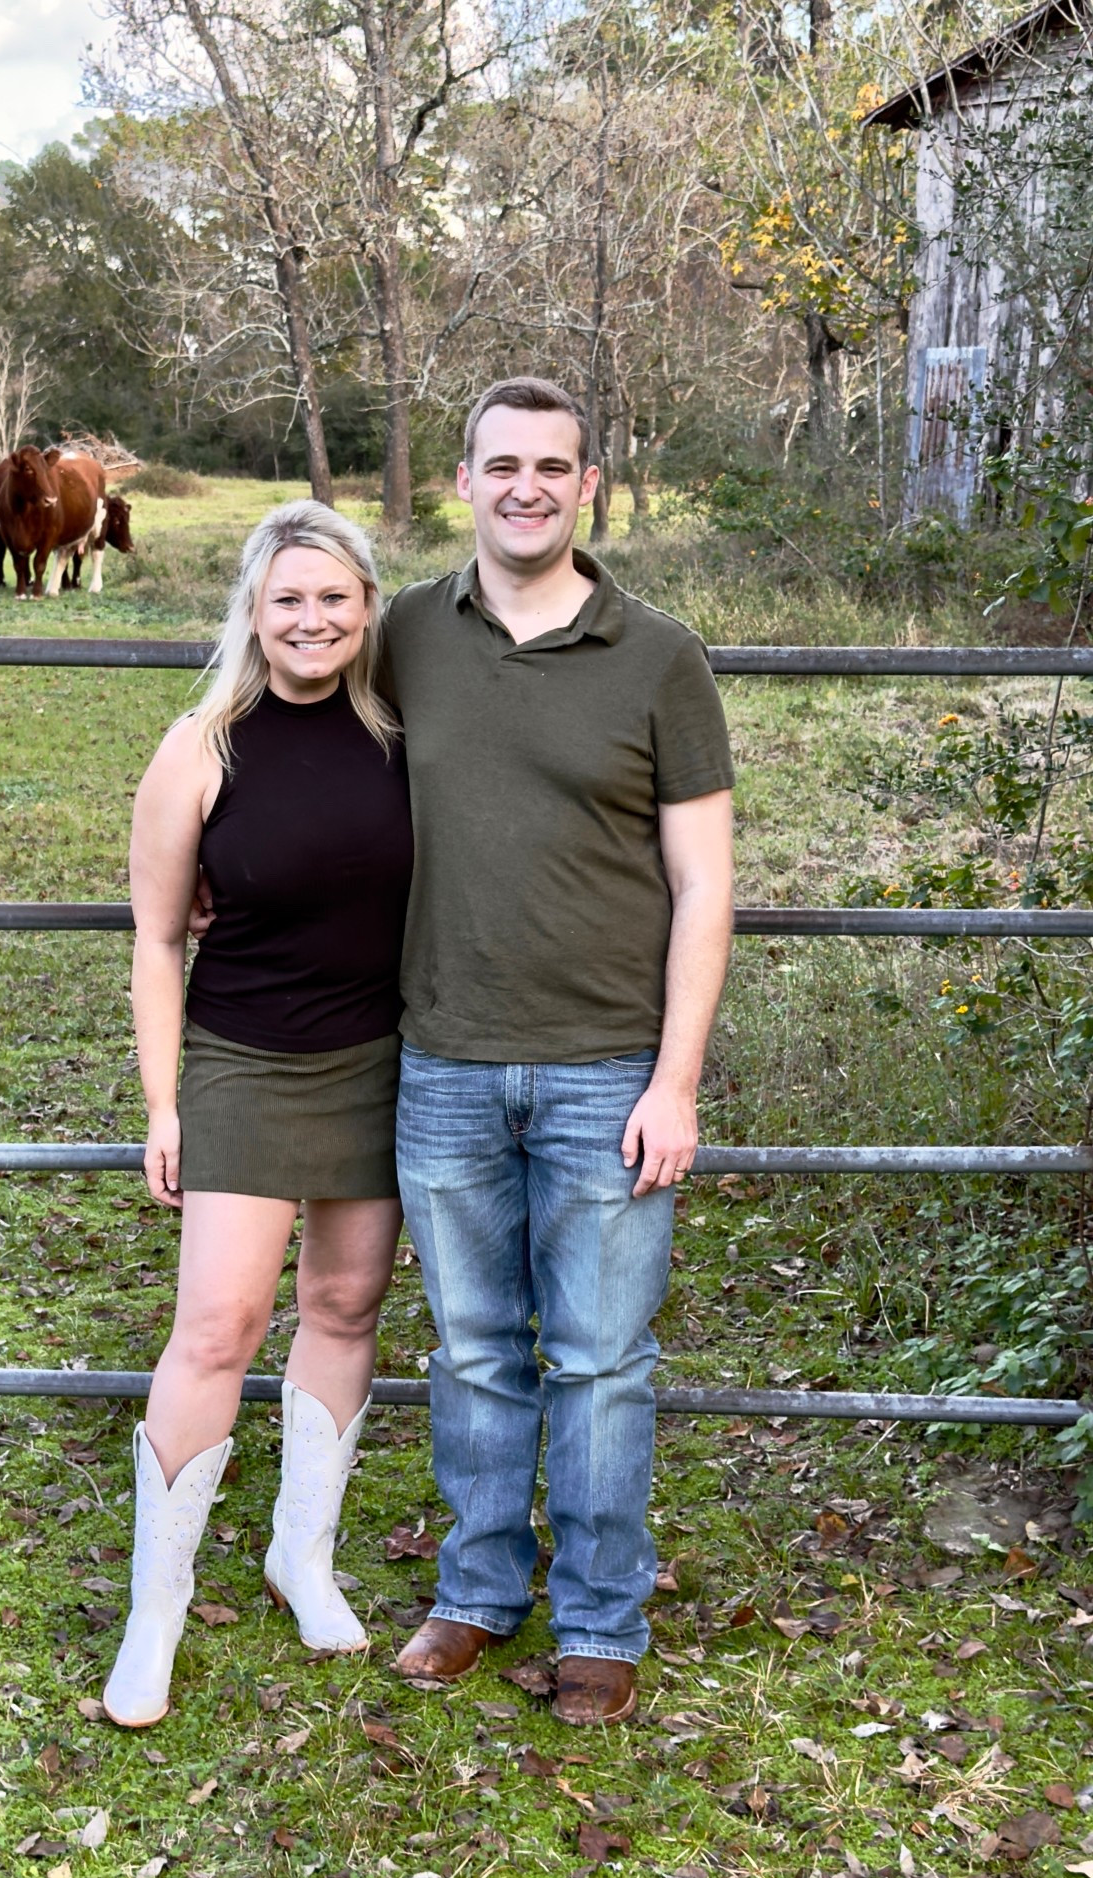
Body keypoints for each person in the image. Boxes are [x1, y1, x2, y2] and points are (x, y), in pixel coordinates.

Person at [386, 376, 735, 1727]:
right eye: (501, 464)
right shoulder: (408, 632)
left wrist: (677, 1078)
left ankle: (599, 1618)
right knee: (473, 1346)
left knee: (598, 1355)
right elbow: (278, 709)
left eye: (553, 465)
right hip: (446, 1056)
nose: (526, 486)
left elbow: (704, 884)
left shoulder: (659, 657)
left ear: (587, 485)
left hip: (607, 1066)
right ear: (462, 481)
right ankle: (477, 1589)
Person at [102, 501, 412, 1729]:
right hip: (239, 1058)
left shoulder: (402, 734)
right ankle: (155, 1610)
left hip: (378, 1060)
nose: (312, 619)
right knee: (219, 1324)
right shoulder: (201, 746)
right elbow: (155, 936)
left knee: (344, 1305)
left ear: (367, 607)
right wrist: (164, 1100)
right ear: (252, 609)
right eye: (288, 598)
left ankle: (302, 1556)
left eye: (334, 597)